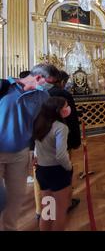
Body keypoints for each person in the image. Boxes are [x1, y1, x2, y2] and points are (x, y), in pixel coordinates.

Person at [0, 64, 60, 231]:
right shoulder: (4, 86)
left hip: (20, 153)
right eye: (49, 82)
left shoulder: (43, 95)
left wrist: (38, 150)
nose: (49, 86)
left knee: (15, 198)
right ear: (39, 78)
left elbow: (42, 125)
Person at [33, 97, 73, 231]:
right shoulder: (61, 127)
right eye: (65, 106)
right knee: (60, 211)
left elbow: (36, 149)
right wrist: (69, 167)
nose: (68, 108)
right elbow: (61, 155)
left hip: (42, 170)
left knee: (47, 210)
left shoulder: (39, 124)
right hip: (58, 171)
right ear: (58, 110)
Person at [48, 71, 81, 212]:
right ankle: (65, 204)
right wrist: (75, 140)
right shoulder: (65, 95)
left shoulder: (45, 94)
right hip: (64, 139)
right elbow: (72, 119)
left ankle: (46, 210)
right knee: (64, 172)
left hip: (43, 168)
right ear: (62, 82)